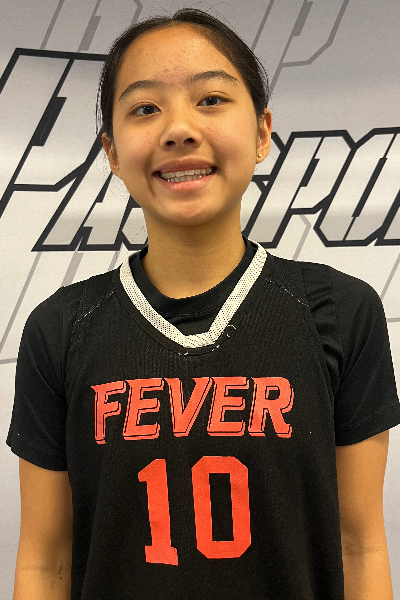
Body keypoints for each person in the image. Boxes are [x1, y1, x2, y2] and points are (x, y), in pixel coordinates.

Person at [6, 8, 400, 600]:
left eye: (211, 99)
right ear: (111, 152)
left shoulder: (342, 312)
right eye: (145, 108)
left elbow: (359, 546)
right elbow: (45, 562)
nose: (179, 129)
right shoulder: (61, 329)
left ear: (263, 133)